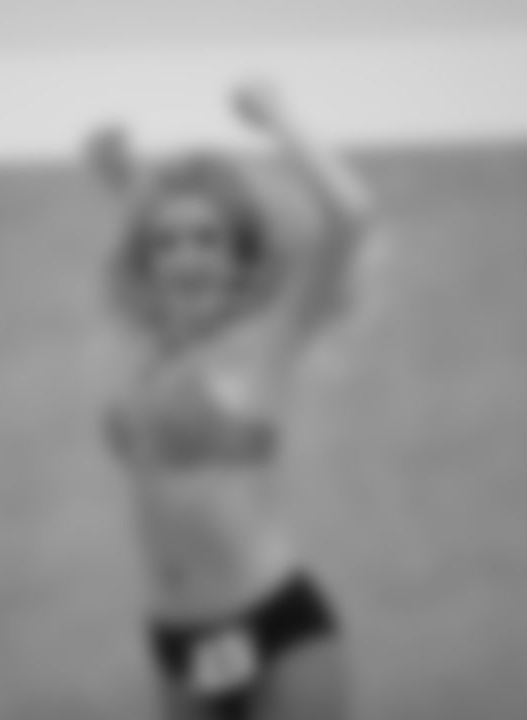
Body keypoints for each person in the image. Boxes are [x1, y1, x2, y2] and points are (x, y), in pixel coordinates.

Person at [86, 79, 376, 720]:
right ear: (148, 261)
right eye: (168, 244)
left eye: (207, 240)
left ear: (236, 257)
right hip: (177, 641)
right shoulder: (144, 351)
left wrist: (281, 118)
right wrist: (123, 178)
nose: (186, 257)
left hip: (275, 624)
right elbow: (157, 233)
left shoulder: (268, 341)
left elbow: (351, 215)